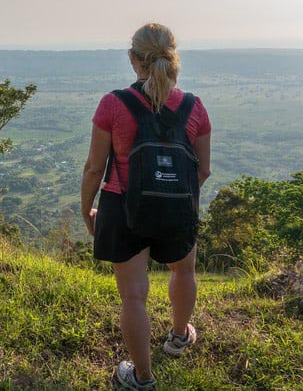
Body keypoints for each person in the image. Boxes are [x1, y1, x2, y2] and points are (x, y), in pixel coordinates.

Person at [80, 23, 212, 390]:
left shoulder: (113, 103)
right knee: (183, 272)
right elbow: (203, 170)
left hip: (122, 207)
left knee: (133, 295)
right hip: (179, 207)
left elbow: (94, 167)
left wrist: (87, 209)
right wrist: (173, 198)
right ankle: (180, 336)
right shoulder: (194, 106)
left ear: (133, 59)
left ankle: (142, 378)